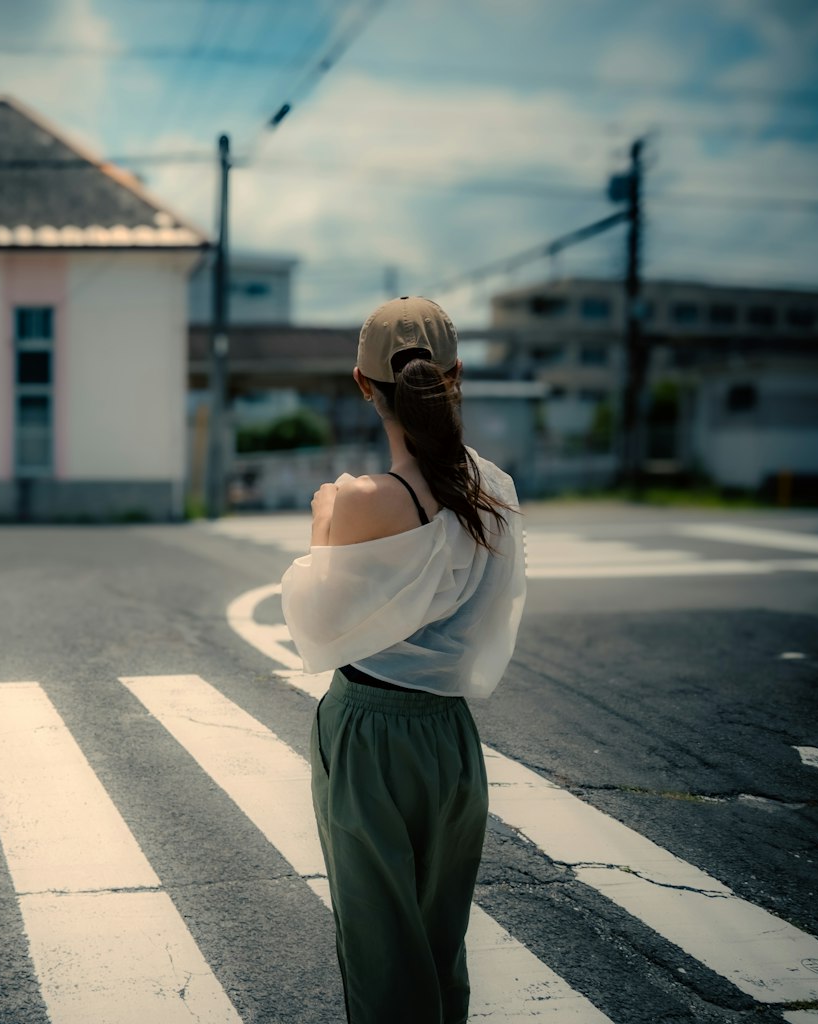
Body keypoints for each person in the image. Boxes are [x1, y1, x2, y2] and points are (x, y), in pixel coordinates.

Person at [279, 296, 528, 1024]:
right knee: (439, 942)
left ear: (363, 383)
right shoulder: (496, 491)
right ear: (456, 374)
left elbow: (317, 624)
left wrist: (327, 512)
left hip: (369, 732)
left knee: (383, 950)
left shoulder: (360, 501)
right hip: (451, 738)